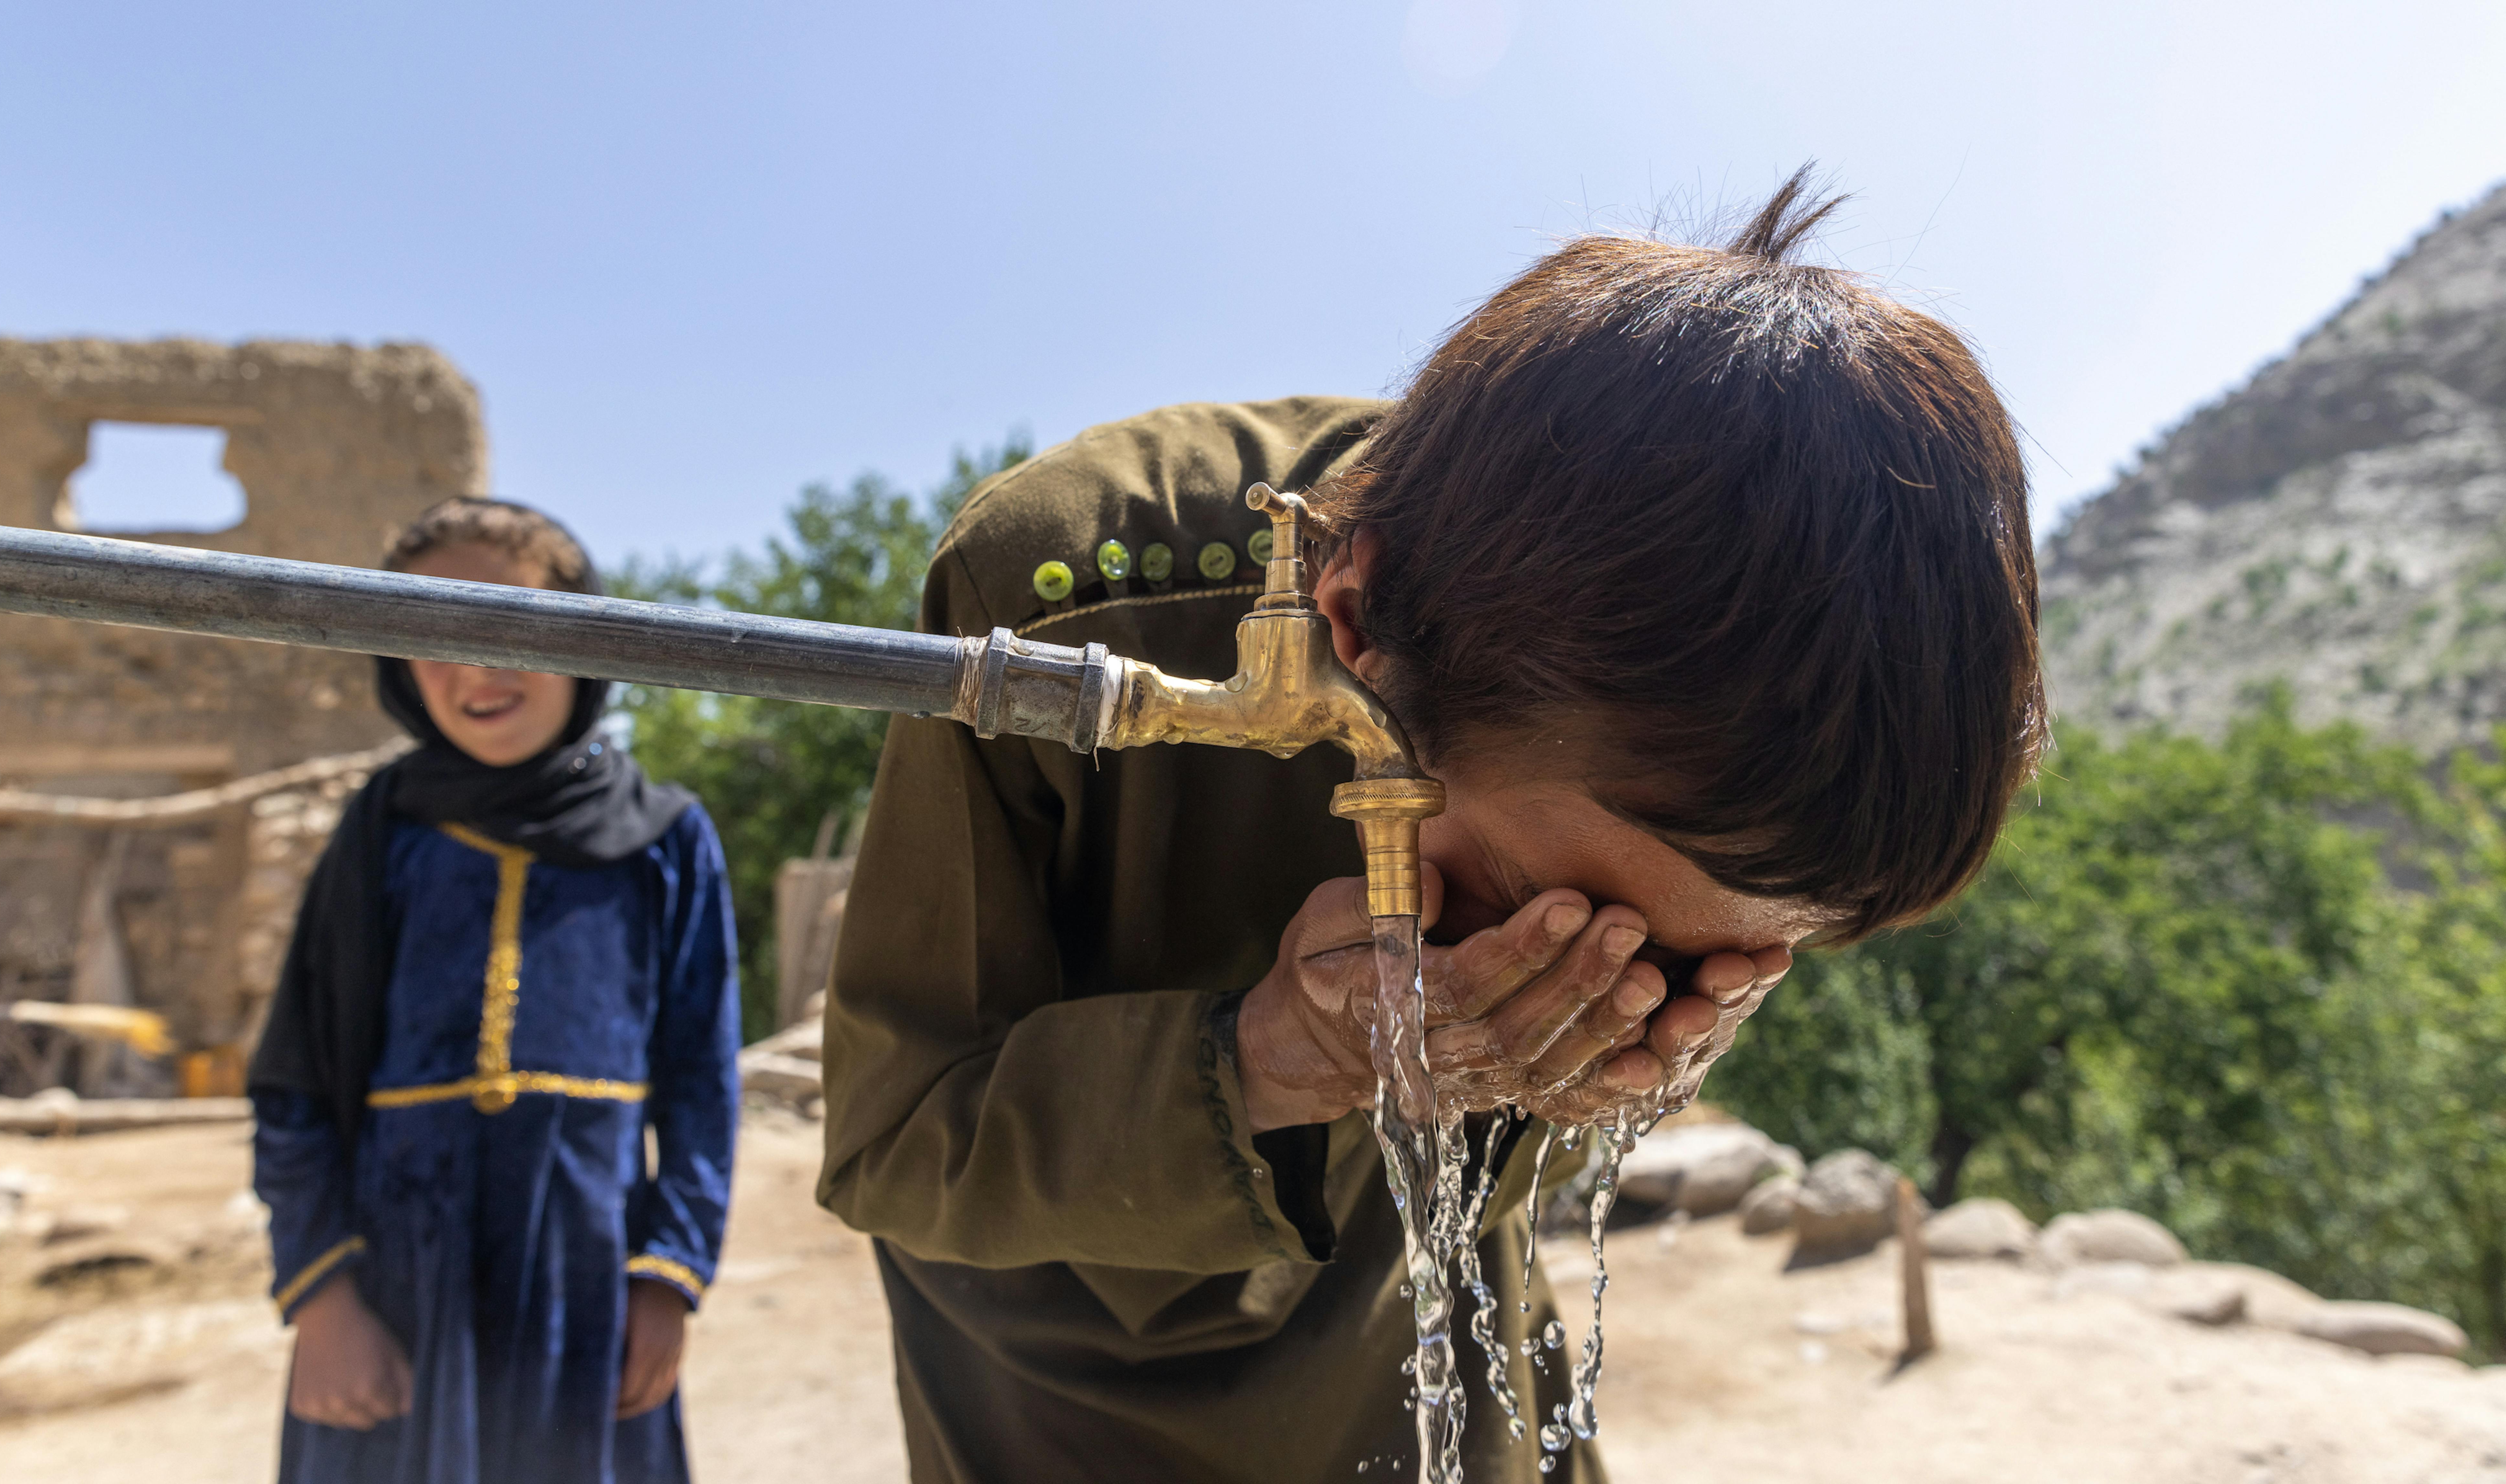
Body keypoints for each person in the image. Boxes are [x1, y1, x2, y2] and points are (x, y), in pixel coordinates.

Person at [818, 173, 2047, 1482]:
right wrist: (1269, 1058)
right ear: (1355, 624)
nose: (1619, 981)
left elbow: (1519, 1144)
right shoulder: (1068, 604)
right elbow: (895, 1139)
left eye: (1705, 967)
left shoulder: (1735, 720)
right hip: (1075, 1407)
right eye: (1551, 914)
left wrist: (1605, 1072)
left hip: (1452, 1377)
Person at [248, 497, 741, 1484]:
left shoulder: (666, 837)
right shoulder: (382, 832)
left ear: (585, 633)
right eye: (435, 630)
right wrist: (323, 1301)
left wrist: (670, 1283)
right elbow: (296, 1081)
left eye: (511, 625)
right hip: (398, 1283)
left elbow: (701, 1086)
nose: (477, 668)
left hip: (586, 1279)